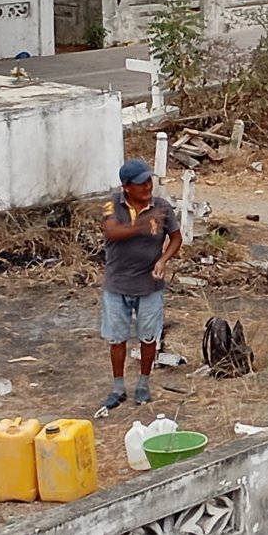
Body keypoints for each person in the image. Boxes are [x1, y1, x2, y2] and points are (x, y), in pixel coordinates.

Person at [99, 159, 181, 409]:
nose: (147, 186)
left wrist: (163, 260)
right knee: (117, 338)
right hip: (117, 284)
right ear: (126, 187)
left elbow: (176, 238)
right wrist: (142, 224)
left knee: (148, 336)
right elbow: (112, 232)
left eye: (149, 181)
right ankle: (118, 387)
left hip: (150, 285)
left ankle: (143, 384)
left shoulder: (162, 207)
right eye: (140, 183)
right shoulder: (112, 204)